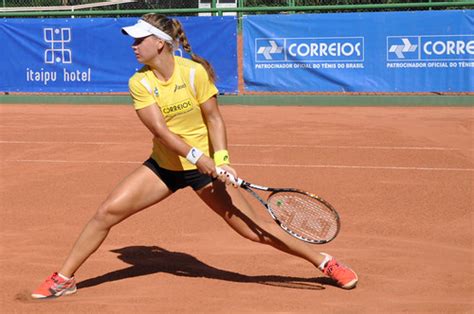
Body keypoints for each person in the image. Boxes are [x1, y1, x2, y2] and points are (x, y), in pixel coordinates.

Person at [31, 14, 358, 299]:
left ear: (159, 43)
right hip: (164, 167)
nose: (133, 45)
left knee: (254, 230)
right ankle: (64, 278)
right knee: (106, 212)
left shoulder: (193, 73)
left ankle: (325, 262)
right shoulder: (139, 82)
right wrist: (197, 155)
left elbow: (214, 118)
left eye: (139, 39)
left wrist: (223, 159)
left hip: (206, 171)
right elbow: (161, 131)